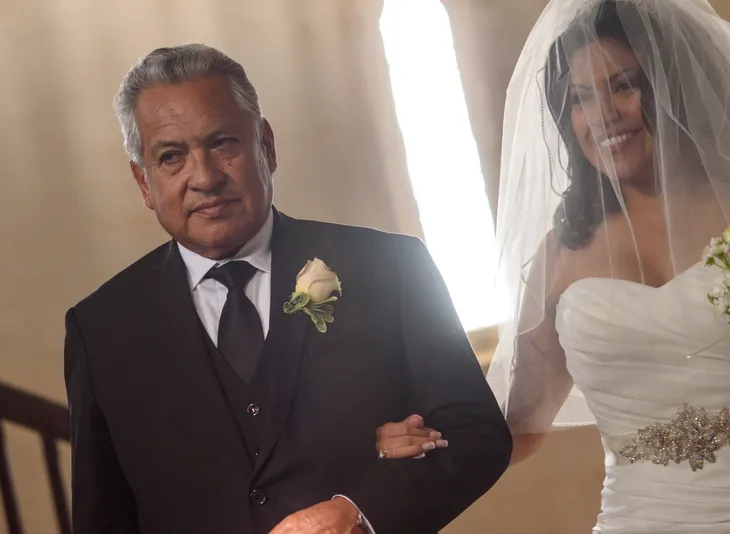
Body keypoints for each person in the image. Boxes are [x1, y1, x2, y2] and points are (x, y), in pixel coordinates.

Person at [375, 0, 730, 532]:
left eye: (624, 86)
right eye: (579, 99)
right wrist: (414, 443)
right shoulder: (560, 255)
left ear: (673, 90)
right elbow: (512, 430)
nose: (602, 115)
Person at [64, 44, 512, 534]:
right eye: (172, 157)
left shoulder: (391, 268)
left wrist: (357, 512)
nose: (205, 177)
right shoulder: (100, 329)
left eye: (223, 143)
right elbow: (102, 519)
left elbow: (476, 434)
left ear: (267, 147)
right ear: (144, 183)